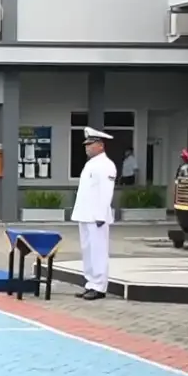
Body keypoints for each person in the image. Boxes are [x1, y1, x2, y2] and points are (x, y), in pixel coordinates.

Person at [72, 127, 118, 300]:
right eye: (86, 145)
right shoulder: (91, 164)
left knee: (98, 251)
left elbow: (106, 193)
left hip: (96, 216)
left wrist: (100, 215)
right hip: (85, 214)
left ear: (100, 145)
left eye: (90, 144)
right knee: (88, 251)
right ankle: (90, 283)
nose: (87, 148)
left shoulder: (106, 165)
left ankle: (99, 286)